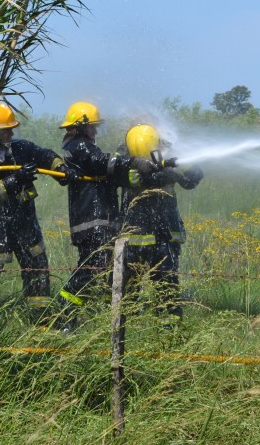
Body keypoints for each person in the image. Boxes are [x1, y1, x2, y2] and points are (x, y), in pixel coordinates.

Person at [0, 101, 72, 325]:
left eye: (12, 129)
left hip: (24, 226)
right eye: (6, 130)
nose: (12, 133)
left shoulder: (20, 149)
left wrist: (60, 169)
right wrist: (15, 180)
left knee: (38, 269)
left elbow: (44, 155)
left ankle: (41, 322)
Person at [118, 124, 203, 330]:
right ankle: (125, 325)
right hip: (137, 229)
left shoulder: (169, 151)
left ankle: (170, 325)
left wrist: (180, 174)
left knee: (167, 277)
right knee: (131, 277)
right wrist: (139, 176)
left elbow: (194, 176)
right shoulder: (123, 152)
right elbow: (112, 173)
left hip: (166, 228)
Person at [55, 101, 131, 330]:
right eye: (93, 127)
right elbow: (99, 163)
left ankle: (105, 319)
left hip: (97, 219)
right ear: (80, 127)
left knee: (101, 267)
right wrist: (129, 161)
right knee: (91, 268)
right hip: (92, 220)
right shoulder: (79, 146)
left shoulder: (80, 145)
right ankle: (63, 315)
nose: (96, 131)